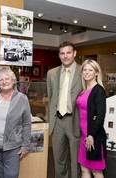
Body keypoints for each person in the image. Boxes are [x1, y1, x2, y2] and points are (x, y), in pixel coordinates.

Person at [0, 66, 31, 178]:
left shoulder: (22, 99)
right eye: (0, 80)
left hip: (12, 147)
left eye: (7, 78)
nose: (4, 82)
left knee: (11, 175)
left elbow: (26, 123)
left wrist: (25, 145)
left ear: (13, 80)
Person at [47, 41, 83, 178]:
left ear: (74, 53)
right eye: (62, 53)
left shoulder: (83, 71)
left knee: (75, 161)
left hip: (75, 121)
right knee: (58, 160)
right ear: (59, 55)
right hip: (58, 122)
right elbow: (51, 98)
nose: (65, 56)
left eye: (68, 52)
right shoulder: (51, 73)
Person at [76, 59, 107, 178]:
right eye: (85, 69)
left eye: (90, 70)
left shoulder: (98, 90)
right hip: (84, 136)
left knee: (96, 171)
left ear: (96, 73)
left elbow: (100, 116)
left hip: (93, 137)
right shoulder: (84, 90)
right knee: (84, 170)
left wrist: (91, 135)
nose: (87, 72)